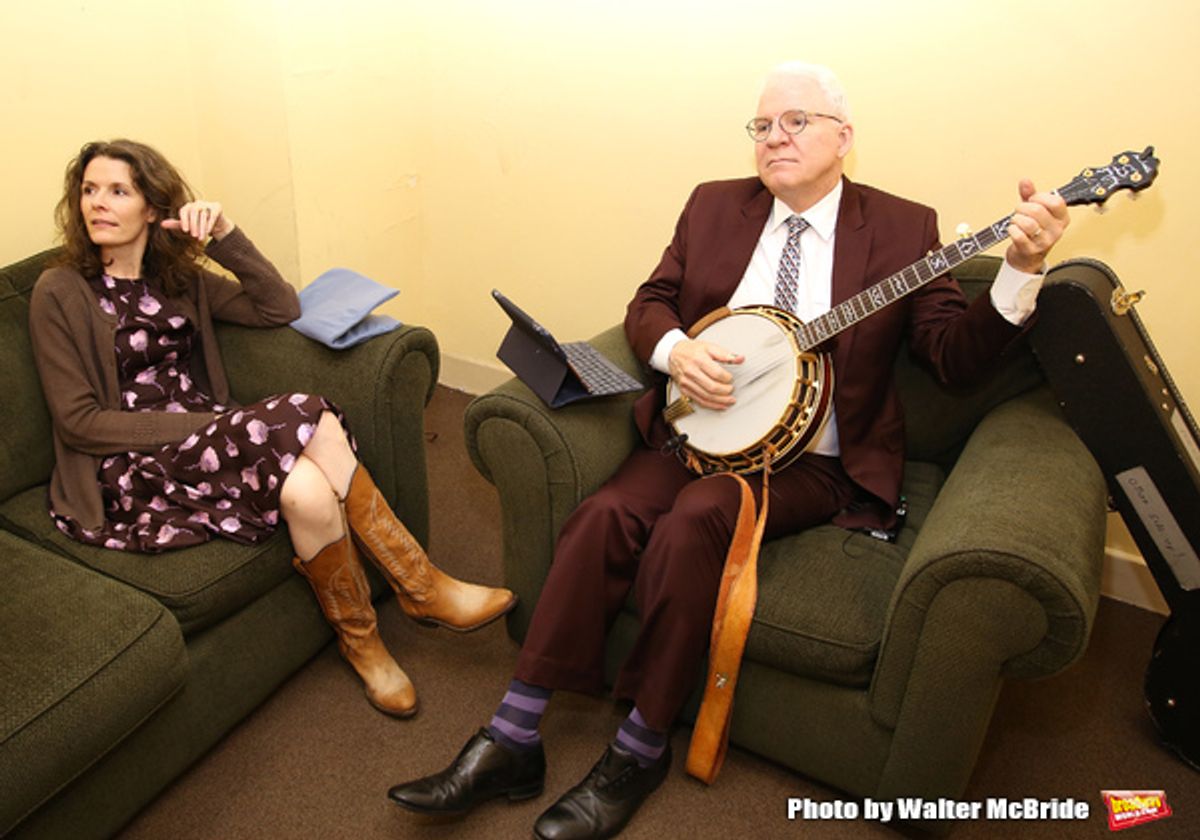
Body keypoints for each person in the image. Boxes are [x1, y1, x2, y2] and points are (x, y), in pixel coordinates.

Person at [387, 61, 1070, 838]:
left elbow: (954, 357)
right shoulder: (715, 206)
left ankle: (639, 748)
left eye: (796, 122)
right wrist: (677, 351)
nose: (775, 137)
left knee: (693, 523)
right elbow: (649, 303)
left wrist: (1019, 270)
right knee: (604, 514)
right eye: (762, 125)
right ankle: (513, 734)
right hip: (697, 432)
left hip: (812, 462)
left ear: (843, 138)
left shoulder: (905, 228)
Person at [30, 138, 516, 719]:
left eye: (118, 191)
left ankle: (364, 643)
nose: (98, 204)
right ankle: (421, 585)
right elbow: (80, 422)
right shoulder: (59, 291)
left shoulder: (179, 279)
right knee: (309, 412)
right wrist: (218, 425)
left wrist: (226, 234)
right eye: (89, 190)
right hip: (128, 466)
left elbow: (278, 307)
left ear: (152, 207)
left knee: (308, 490)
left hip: (207, 441)